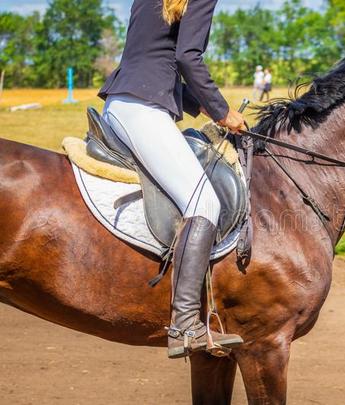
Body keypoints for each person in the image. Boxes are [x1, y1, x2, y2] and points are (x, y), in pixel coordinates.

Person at [98, 0, 246, 359]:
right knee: (204, 203)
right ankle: (185, 325)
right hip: (145, 110)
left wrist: (210, 107)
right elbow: (187, 58)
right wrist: (224, 112)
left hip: (120, 103)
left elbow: (155, 57)